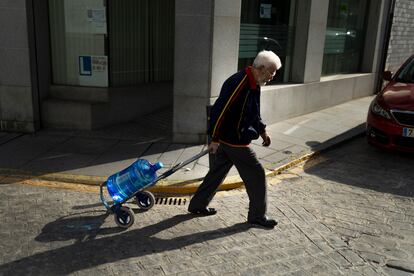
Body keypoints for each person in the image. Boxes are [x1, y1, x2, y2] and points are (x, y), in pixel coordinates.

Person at [188, 50, 282, 228]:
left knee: (217, 173)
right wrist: (214, 138)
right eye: (271, 71)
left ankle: (197, 205)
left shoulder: (254, 82)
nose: (273, 76)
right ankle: (257, 216)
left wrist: (262, 131)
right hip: (233, 140)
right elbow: (219, 110)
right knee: (257, 174)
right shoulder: (239, 82)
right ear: (261, 68)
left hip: (230, 138)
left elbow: (254, 111)